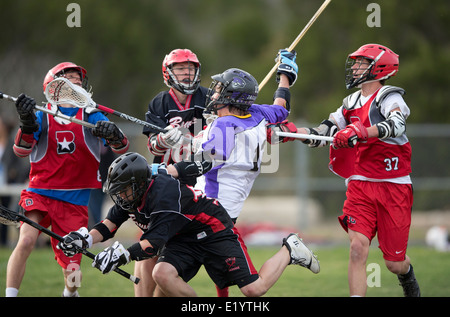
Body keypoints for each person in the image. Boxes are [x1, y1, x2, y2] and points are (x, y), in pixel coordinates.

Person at [57, 152, 320, 297]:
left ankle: (290, 249)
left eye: (124, 190)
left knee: (253, 290)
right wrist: (84, 240)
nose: (121, 197)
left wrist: (123, 253)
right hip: (184, 238)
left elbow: (153, 245)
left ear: (138, 185)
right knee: (162, 275)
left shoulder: (163, 194)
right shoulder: (132, 196)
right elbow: (108, 225)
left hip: (214, 231)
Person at [288, 44, 420, 297]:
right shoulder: (349, 102)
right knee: (358, 247)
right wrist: (293, 134)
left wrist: (360, 131)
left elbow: (396, 124)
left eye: (361, 63)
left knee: (394, 263)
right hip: (360, 184)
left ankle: (407, 274)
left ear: (379, 68)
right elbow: (323, 131)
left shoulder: (390, 96)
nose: (355, 68)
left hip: (394, 185)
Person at [167, 49, 302, 295]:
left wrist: (175, 157)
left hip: (213, 209)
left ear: (231, 96)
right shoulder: (259, 113)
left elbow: (208, 161)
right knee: (216, 273)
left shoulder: (225, 124)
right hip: (225, 208)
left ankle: (289, 251)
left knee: (245, 285)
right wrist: (285, 76)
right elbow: (281, 107)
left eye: (219, 89)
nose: (213, 93)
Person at [5, 62, 130, 297]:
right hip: (40, 192)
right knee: (26, 241)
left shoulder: (93, 115)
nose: (76, 81)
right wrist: (27, 122)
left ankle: (70, 294)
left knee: (72, 265)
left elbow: (122, 146)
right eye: (69, 77)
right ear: (53, 85)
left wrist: (112, 133)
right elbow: (21, 150)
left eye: (78, 79)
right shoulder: (42, 115)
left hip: (75, 200)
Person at [137, 48, 208, 296]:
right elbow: (152, 145)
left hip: (196, 182)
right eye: (181, 68)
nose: (187, 73)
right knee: (149, 248)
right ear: (168, 73)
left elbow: (221, 134)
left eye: (190, 68)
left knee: (172, 251)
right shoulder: (159, 102)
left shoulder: (208, 98)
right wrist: (165, 139)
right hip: (164, 182)